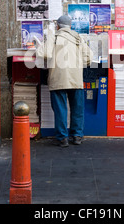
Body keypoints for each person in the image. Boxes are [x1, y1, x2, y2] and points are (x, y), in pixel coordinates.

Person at [35, 15, 93, 147]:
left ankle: (62, 138)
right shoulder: (79, 38)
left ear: (58, 26)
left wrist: (38, 47)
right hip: (75, 78)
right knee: (77, 109)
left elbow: (45, 53)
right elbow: (89, 56)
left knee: (60, 109)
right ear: (70, 26)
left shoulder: (54, 37)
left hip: (58, 78)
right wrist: (78, 64)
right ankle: (77, 136)